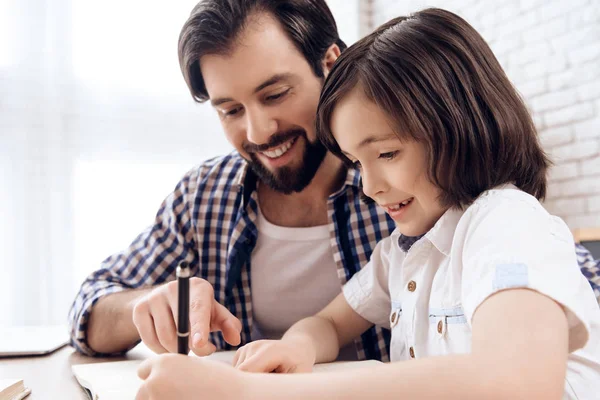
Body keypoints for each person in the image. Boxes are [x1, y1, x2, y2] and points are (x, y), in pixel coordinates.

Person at [69, 0, 599, 363]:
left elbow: (567, 297)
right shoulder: (204, 197)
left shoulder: (454, 207)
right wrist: (153, 303)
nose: (258, 131)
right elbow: (90, 304)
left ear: (330, 64)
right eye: (230, 109)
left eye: (275, 95)